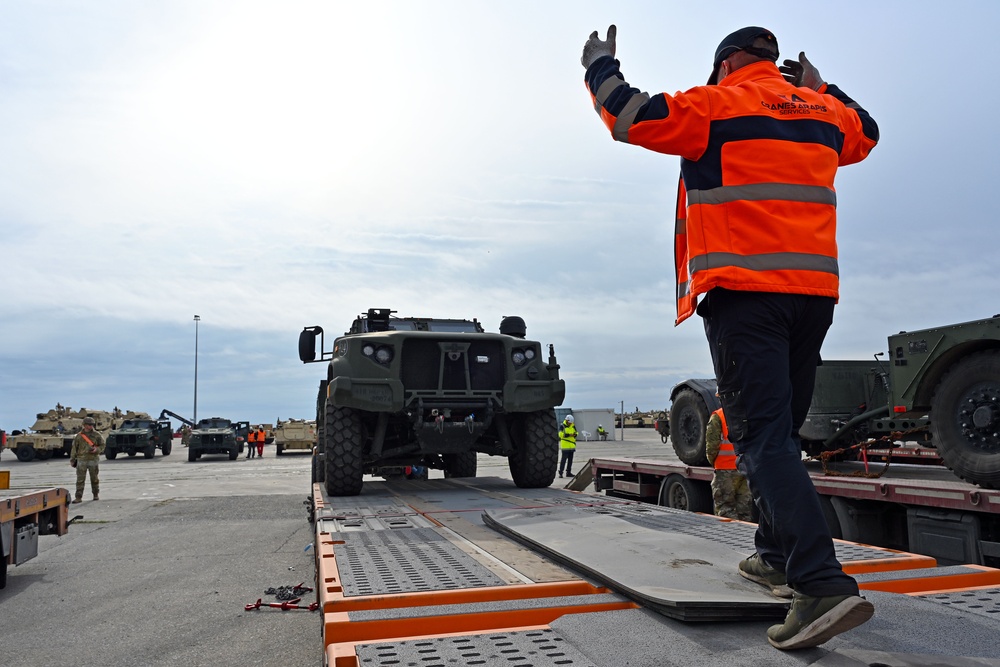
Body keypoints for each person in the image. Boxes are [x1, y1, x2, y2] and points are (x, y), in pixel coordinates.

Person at [582, 25, 878, 650]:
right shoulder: (824, 111)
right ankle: (775, 554)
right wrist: (822, 87)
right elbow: (867, 133)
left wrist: (599, 66)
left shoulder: (716, 104)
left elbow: (628, 115)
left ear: (728, 62)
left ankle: (820, 583)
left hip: (747, 296)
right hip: (814, 297)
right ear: (778, 63)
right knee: (782, 435)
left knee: (760, 439)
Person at [705, 408, 754, 524]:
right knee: (745, 510)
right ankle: (744, 537)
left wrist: (714, 462)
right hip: (746, 467)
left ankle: (728, 538)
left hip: (725, 469)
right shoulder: (748, 412)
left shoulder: (719, 416)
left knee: (725, 509)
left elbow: (712, 446)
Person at [70, 416, 105, 503]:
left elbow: (102, 445)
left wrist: (96, 450)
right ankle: (78, 497)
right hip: (81, 460)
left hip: (93, 459)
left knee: (94, 478)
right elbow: (74, 448)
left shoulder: (97, 435)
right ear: (84, 425)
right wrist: (72, 459)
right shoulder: (79, 436)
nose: (91, 426)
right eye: (89, 425)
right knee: (80, 479)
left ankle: (95, 494)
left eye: (92, 424)